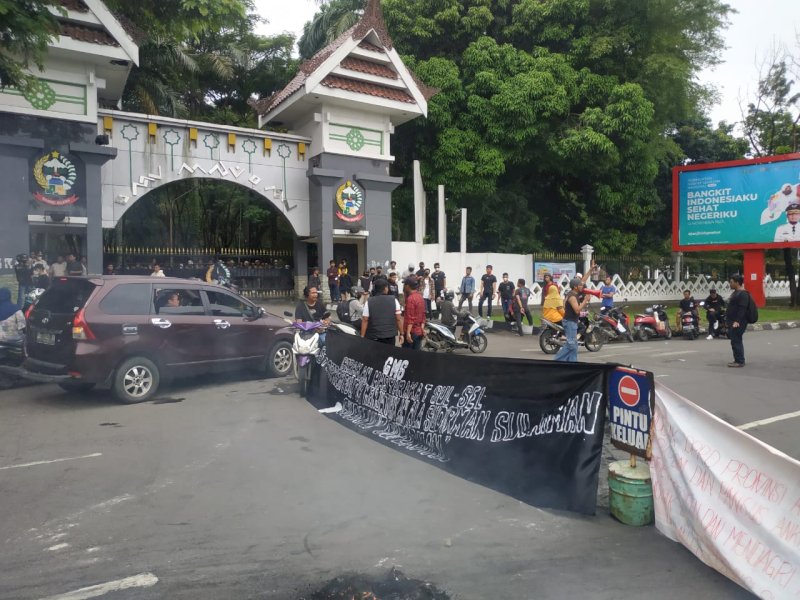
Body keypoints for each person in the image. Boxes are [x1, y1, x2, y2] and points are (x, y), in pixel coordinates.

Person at [553, 272, 592, 362]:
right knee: (571, 344)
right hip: (570, 322)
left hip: (572, 321)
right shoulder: (572, 297)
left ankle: (573, 363)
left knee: (574, 345)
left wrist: (590, 270)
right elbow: (577, 310)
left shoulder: (574, 292)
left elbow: (583, 280)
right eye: (580, 285)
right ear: (575, 287)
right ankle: (556, 361)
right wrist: (585, 300)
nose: (582, 286)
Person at [361, 279, 403, 345]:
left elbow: (365, 320)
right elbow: (398, 319)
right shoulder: (394, 300)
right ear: (385, 288)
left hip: (373, 335)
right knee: (388, 354)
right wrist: (401, 334)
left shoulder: (369, 301)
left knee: (375, 354)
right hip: (389, 336)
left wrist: (362, 336)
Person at [726, 275, 749, 368]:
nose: (730, 284)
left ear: (737, 283)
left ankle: (740, 361)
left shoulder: (743, 294)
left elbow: (742, 309)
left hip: (739, 322)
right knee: (734, 340)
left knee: (736, 340)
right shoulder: (736, 293)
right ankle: (737, 359)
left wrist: (737, 321)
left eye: (731, 282)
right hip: (733, 320)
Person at [402, 276, 426, 349]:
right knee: (416, 356)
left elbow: (410, 318)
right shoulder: (420, 297)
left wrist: (408, 333)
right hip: (419, 332)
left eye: (404, 284)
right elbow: (423, 315)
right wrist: (422, 328)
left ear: (407, 286)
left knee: (407, 357)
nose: (403, 286)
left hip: (411, 332)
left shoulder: (411, 299)